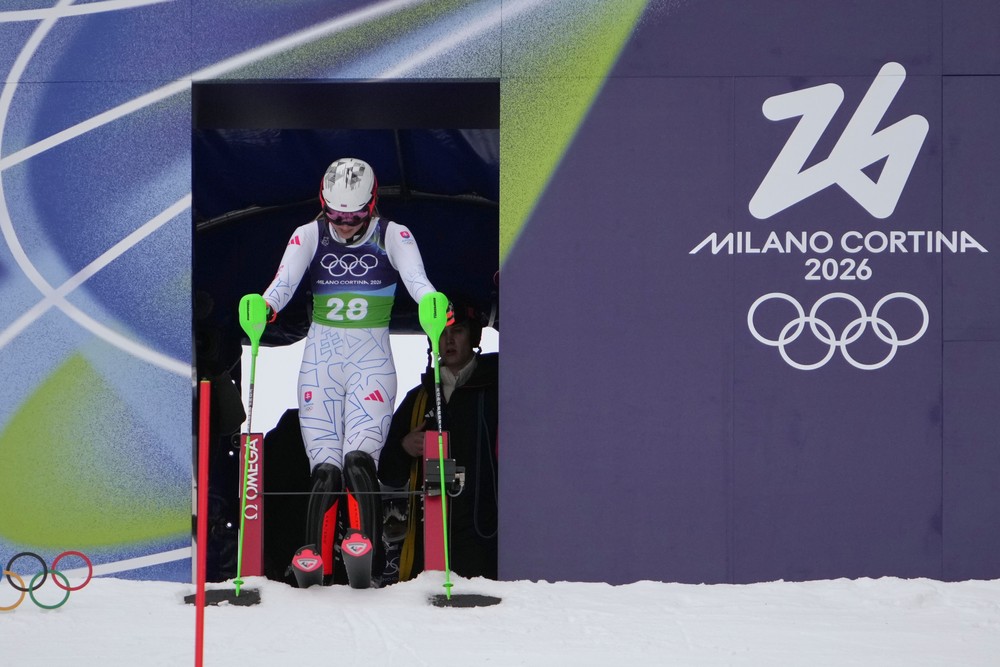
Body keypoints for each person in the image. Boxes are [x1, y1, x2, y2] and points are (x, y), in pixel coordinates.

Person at [258, 157, 439, 586]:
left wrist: (432, 301)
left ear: (372, 205)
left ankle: (363, 548)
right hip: (320, 364)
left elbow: (418, 280)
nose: (342, 225)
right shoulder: (309, 234)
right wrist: (262, 306)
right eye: (335, 215)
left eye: (354, 216)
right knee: (324, 468)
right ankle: (312, 555)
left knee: (359, 461)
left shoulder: (394, 234)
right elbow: (281, 286)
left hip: (369, 365)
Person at [378, 301, 499, 581]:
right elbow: (387, 473)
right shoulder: (418, 400)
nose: (449, 340)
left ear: (475, 337)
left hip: (486, 533)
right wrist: (404, 447)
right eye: (442, 333)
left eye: (457, 331)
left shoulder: (499, 389)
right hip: (428, 539)